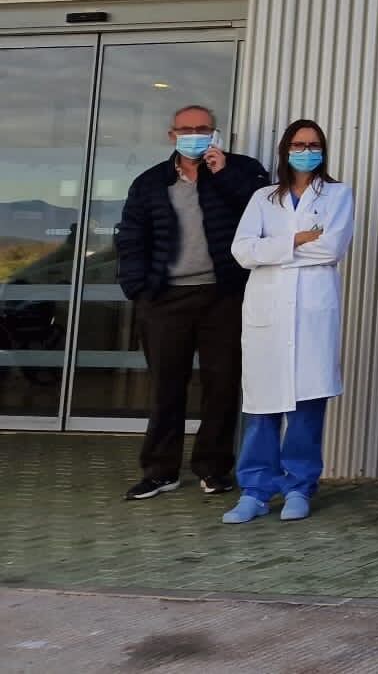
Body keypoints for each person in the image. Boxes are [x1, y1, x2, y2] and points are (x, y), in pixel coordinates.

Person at [115, 104, 270, 500]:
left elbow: (265, 213)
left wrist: (223, 174)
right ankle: (160, 471)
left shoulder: (243, 170)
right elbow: (131, 237)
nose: (195, 135)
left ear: (216, 133)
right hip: (165, 298)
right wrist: (138, 288)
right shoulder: (150, 183)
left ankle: (213, 468)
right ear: (172, 135)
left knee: (222, 383)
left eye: (203, 128)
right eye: (187, 130)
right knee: (166, 386)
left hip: (223, 295)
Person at [222, 119, 353, 524]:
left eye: (314, 145)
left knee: (306, 407)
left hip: (312, 312)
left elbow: (331, 249)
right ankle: (255, 491)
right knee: (261, 407)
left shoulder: (337, 194)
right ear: (285, 149)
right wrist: (296, 240)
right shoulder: (263, 197)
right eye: (299, 144)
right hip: (268, 312)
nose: (306, 151)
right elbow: (242, 251)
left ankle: (299, 487)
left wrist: (273, 250)